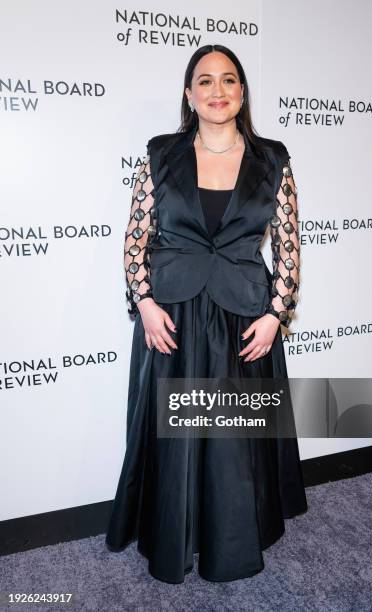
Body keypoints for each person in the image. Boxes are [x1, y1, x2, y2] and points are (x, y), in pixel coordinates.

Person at [105, 44, 308, 584]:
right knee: (174, 434)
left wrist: (275, 314)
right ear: (189, 94)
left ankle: (233, 538)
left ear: (242, 92)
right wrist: (144, 303)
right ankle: (174, 535)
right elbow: (135, 239)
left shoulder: (274, 160)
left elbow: (288, 246)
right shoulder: (160, 154)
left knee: (231, 436)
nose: (217, 91)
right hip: (170, 314)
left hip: (245, 316)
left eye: (229, 80)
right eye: (205, 81)